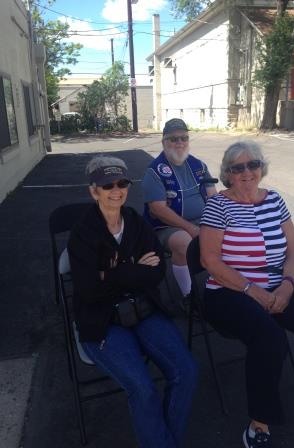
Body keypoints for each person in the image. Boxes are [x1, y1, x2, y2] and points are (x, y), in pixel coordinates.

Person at [199, 140, 294, 447]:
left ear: (261, 168)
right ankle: (259, 424)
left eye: (253, 164)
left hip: (281, 288)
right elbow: (210, 260)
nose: (247, 172)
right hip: (229, 292)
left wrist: (288, 286)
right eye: (238, 167)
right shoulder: (218, 205)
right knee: (270, 337)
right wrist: (254, 291)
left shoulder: (274, 199)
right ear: (228, 173)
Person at [67, 155, 198, 448]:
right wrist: (134, 269)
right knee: (143, 388)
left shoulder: (136, 223)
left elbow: (157, 272)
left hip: (144, 310)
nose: (116, 190)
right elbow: (88, 290)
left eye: (122, 183)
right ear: (93, 191)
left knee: (186, 372)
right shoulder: (83, 233)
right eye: (107, 185)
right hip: (103, 321)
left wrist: (111, 273)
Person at [143, 118, 217, 300]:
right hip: (166, 227)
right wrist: (191, 228)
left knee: (235, 233)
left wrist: (217, 223)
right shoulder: (154, 171)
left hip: (201, 221)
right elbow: (158, 210)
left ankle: (225, 285)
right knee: (184, 243)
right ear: (163, 142)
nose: (180, 143)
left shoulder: (198, 165)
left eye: (184, 138)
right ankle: (189, 297)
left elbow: (213, 196)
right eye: (173, 139)